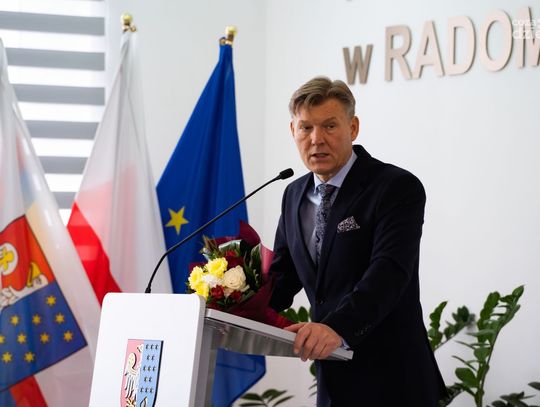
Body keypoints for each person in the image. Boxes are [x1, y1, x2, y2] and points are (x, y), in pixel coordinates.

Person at [269, 76, 447, 406]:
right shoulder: (293, 194)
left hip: (395, 382)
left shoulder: (395, 187)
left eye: (329, 126)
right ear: (293, 130)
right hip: (333, 383)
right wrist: (230, 305)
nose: (316, 139)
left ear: (353, 128)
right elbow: (282, 277)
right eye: (306, 128)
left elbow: (389, 273)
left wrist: (336, 328)